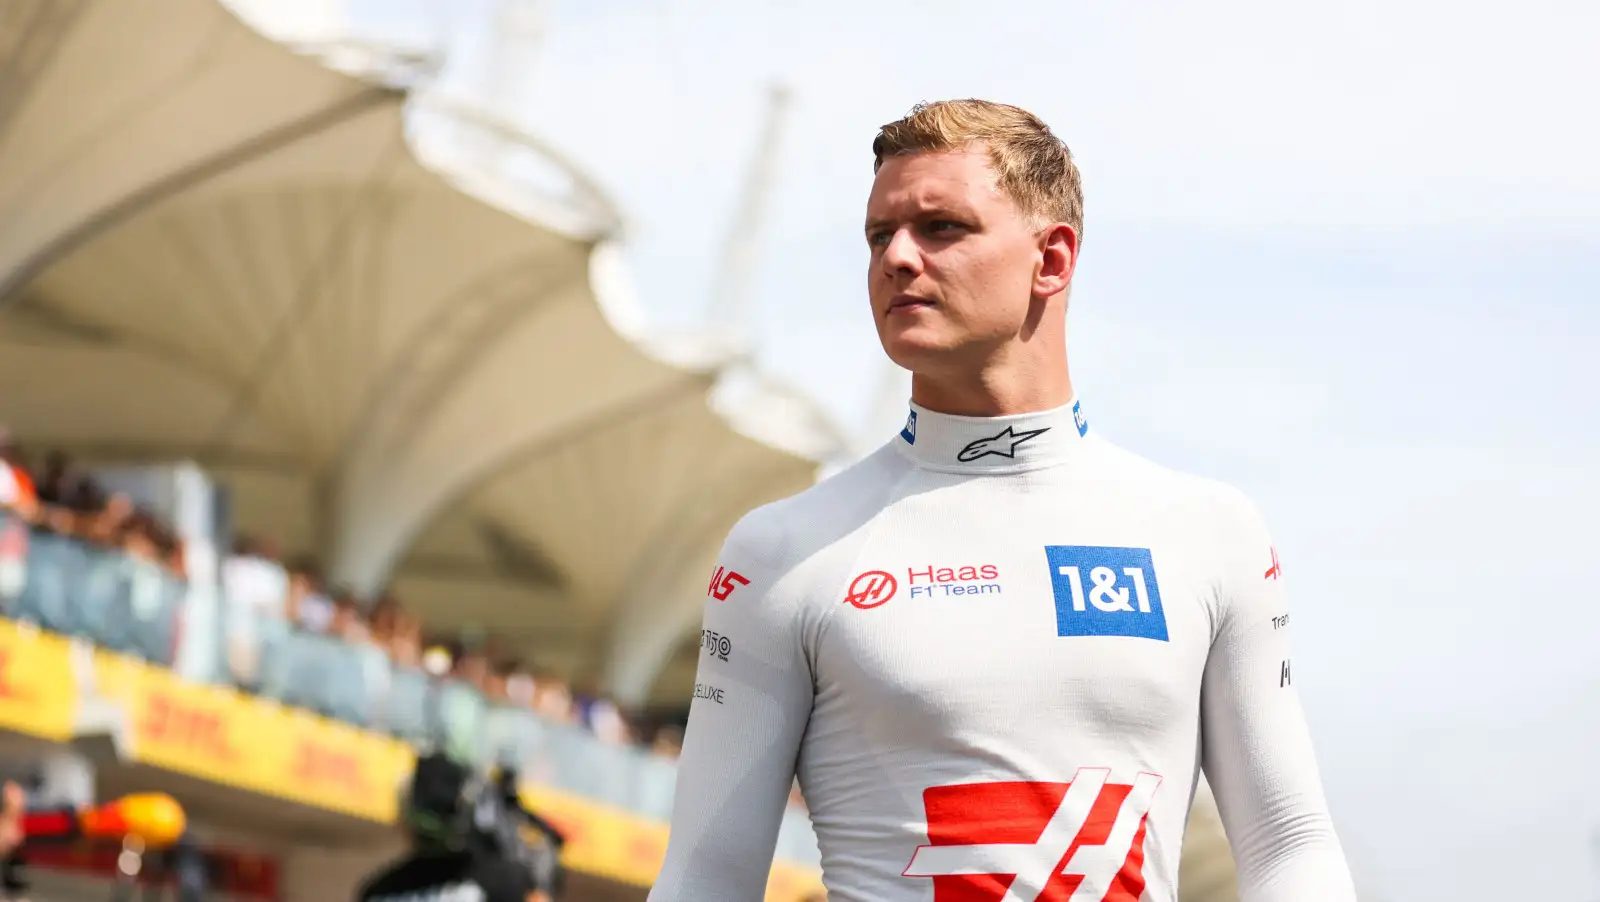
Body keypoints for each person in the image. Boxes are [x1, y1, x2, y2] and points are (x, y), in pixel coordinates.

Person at [649, 100, 1356, 901]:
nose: (897, 259)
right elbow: (705, 876)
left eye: (940, 227)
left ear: (1051, 259)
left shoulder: (1209, 534)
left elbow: (1292, 846)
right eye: (880, 235)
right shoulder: (781, 551)